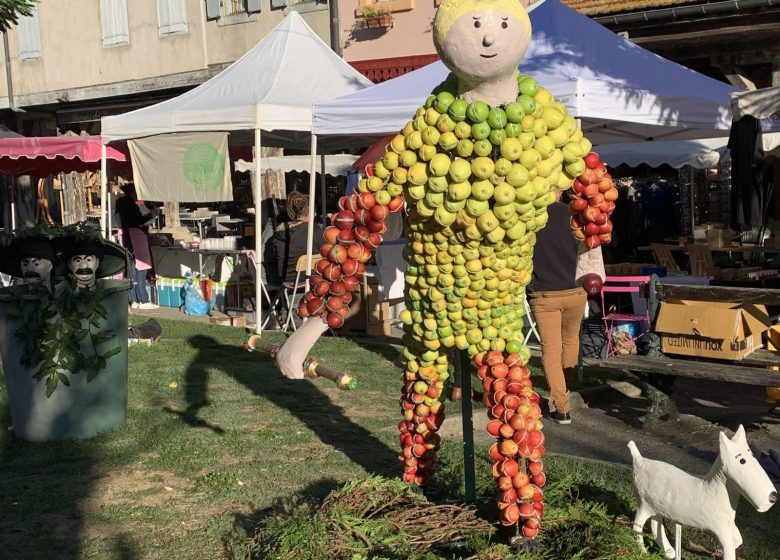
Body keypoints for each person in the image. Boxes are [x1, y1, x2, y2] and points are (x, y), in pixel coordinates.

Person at [527, 194, 587, 425]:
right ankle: (564, 385)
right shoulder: (576, 214)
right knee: (571, 340)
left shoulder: (531, 216)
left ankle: (562, 407)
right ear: (561, 191)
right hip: (576, 290)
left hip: (544, 294)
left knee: (550, 349)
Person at [264, 191, 323, 286]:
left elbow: (273, 259)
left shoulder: (278, 235)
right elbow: (327, 250)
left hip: (287, 281)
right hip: (312, 278)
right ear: (310, 212)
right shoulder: (314, 231)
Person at [115, 182, 158, 309]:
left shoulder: (119, 203)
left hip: (124, 234)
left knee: (131, 266)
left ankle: (133, 299)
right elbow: (138, 220)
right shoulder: (129, 204)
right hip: (134, 235)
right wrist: (151, 215)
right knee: (140, 266)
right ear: (133, 193)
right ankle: (143, 300)